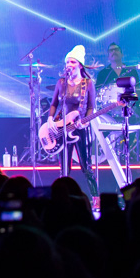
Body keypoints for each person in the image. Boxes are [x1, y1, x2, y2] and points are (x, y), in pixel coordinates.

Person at [48, 44, 98, 197]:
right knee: (64, 168)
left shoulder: (88, 84)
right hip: (63, 129)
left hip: (81, 128)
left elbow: (91, 107)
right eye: (67, 62)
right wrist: (50, 118)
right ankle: (62, 199)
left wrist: (86, 121)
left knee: (86, 166)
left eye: (72, 62)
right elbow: (54, 104)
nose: (69, 65)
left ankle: (96, 198)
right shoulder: (61, 83)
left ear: (80, 65)